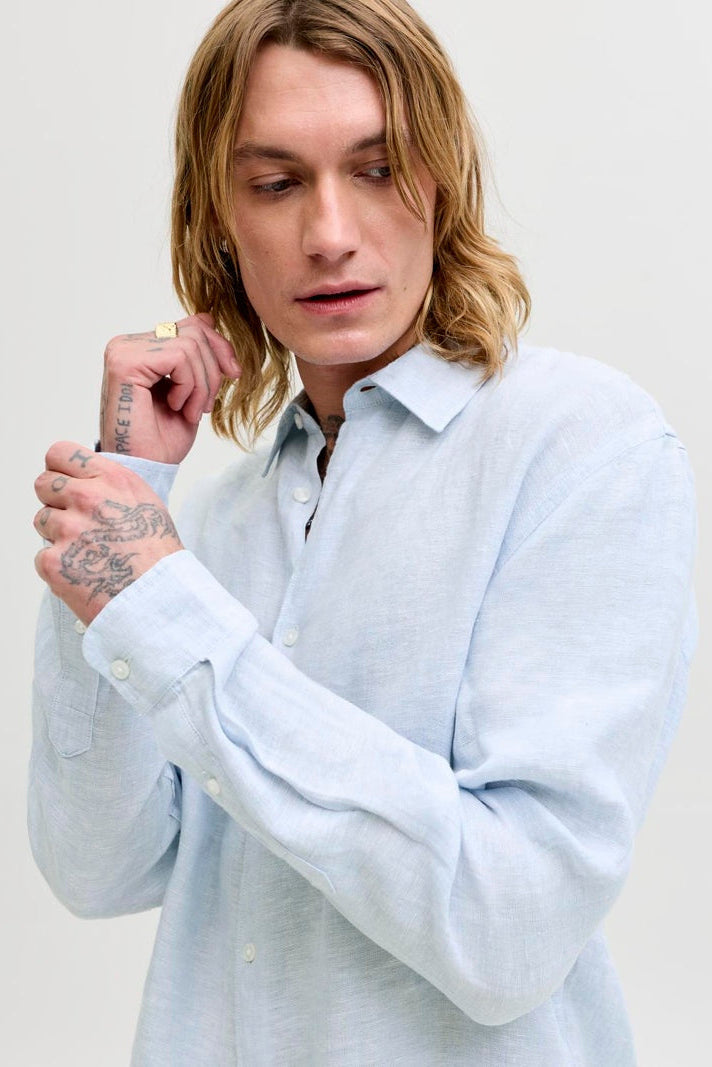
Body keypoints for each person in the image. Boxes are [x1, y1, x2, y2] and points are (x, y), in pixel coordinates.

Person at [29, 1, 697, 1064]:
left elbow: (508, 926)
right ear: (217, 217)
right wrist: (126, 490)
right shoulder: (210, 525)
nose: (330, 232)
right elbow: (98, 867)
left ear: (442, 182)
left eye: (378, 169)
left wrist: (166, 606)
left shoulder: (583, 446)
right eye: (275, 182)